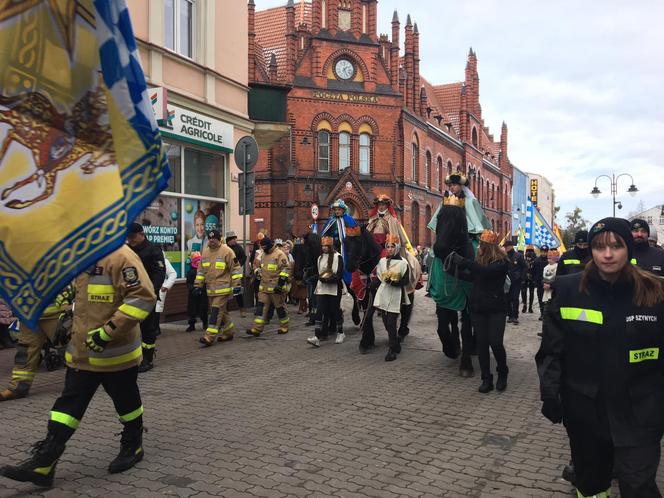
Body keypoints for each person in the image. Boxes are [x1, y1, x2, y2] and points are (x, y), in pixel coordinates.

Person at [0, 244, 156, 486]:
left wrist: (107, 333)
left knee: (127, 404)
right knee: (67, 407)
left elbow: (142, 297)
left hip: (115, 354)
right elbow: (80, 290)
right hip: (83, 354)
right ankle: (45, 461)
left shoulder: (122, 256)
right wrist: (65, 300)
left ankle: (133, 445)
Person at [536, 217, 664, 498]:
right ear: (591, 250)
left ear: (628, 249)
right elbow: (552, 349)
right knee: (591, 485)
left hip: (640, 411)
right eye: (599, 247)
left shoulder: (654, 292)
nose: (607, 254)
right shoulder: (569, 289)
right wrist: (550, 393)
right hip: (586, 409)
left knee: (639, 485)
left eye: (616, 246)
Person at [452, 230, 509, 392]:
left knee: (496, 342)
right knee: (482, 344)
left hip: (496, 308)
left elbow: (486, 273)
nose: (478, 248)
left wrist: (464, 262)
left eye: (481, 245)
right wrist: (452, 270)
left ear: (488, 247)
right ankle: (486, 378)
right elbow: (475, 277)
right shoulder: (479, 262)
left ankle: (502, 372)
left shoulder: (502, 262)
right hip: (478, 308)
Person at [0, 286, 74, 401]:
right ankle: (18, 387)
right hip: (28, 313)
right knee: (25, 352)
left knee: (69, 349)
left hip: (54, 311)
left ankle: (83, 382)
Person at [127, 223, 166, 373]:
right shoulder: (128, 250)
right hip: (129, 295)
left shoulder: (153, 250)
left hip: (146, 295)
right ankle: (132, 357)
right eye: (128, 238)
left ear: (142, 234)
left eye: (133, 237)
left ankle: (147, 358)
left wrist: (151, 292)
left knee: (147, 328)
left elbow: (159, 273)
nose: (131, 240)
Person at [194, 230, 242, 346]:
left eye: (213, 238)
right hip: (210, 290)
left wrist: (237, 285)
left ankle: (209, 337)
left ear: (219, 239)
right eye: (209, 238)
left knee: (215, 312)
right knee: (222, 312)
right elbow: (200, 271)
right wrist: (197, 285)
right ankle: (229, 332)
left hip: (223, 289)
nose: (211, 240)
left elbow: (235, 269)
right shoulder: (205, 253)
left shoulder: (227, 251)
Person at [373, 234, 410, 362]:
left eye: (391, 247)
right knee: (385, 322)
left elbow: (405, 281)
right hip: (384, 295)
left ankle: (392, 350)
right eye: (387, 247)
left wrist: (394, 282)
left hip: (396, 295)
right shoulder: (382, 262)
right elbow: (379, 278)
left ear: (397, 248)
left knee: (391, 322)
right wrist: (371, 286)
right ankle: (396, 344)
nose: (389, 249)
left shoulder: (403, 263)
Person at [246, 237, 291, 336]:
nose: (263, 249)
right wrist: (257, 271)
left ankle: (284, 326)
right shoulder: (263, 254)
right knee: (261, 308)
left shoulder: (279, 254)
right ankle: (257, 328)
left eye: (265, 247)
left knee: (280, 308)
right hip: (264, 287)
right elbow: (257, 265)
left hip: (276, 288)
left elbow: (286, 269)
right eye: (262, 247)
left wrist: (280, 284)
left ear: (270, 245)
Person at [306, 236, 344, 347]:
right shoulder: (320, 258)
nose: (324, 248)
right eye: (322, 246)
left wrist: (330, 279)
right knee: (320, 311)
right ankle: (317, 336)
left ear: (330, 246)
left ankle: (340, 332)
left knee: (335, 311)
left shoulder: (338, 257)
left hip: (334, 288)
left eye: (326, 246)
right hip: (322, 288)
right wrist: (318, 278)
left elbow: (339, 274)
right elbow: (320, 272)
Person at [503, 240, 526, 324]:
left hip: (516, 281)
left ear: (511, 246)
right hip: (507, 281)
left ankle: (515, 316)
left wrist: (521, 277)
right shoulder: (504, 256)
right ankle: (510, 315)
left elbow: (525, 267)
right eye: (505, 247)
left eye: (506, 247)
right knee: (507, 298)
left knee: (515, 298)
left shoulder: (518, 256)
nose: (505, 248)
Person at [226, 231, 247, 317]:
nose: (235, 241)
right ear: (229, 240)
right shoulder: (225, 248)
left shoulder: (238, 248)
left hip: (236, 273)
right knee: (225, 292)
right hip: (226, 273)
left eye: (235, 239)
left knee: (238, 292)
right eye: (233, 239)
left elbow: (244, 257)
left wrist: (239, 265)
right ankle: (225, 311)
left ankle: (242, 310)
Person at [185, 252, 208, 332]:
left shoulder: (205, 271)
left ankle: (205, 324)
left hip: (203, 294)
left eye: (199, 261)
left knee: (203, 310)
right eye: (196, 261)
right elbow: (188, 283)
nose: (198, 263)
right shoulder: (191, 272)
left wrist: (202, 290)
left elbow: (207, 282)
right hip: (193, 295)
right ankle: (191, 325)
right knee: (192, 311)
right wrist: (193, 289)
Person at [155, 254, 176, 334]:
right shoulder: (145, 259)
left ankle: (156, 328)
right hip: (147, 288)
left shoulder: (164, 261)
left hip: (160, 288)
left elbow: (173, 274)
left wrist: (166, 286)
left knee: (157, 308)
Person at [532, 245, 550, 321]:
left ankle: (547, 314)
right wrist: (534, 281)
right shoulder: (537, 260)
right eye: (542, 252)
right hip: (539, 282)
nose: (543, 253)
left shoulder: (550, 260)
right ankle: (542, 313)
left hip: (548, 282)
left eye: (545, 252)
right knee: (540, 298)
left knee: (548, 298)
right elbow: (534, 272)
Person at [521, 245, 537, 314]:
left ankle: (530, 307)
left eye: (531, 251)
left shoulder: (535, 259)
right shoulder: (523, 258)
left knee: (531, 292)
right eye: (528, 251)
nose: (530, 252)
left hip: (532, 277)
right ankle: (524, 305)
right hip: (524, 277)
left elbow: (536, 268)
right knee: (523, 292)